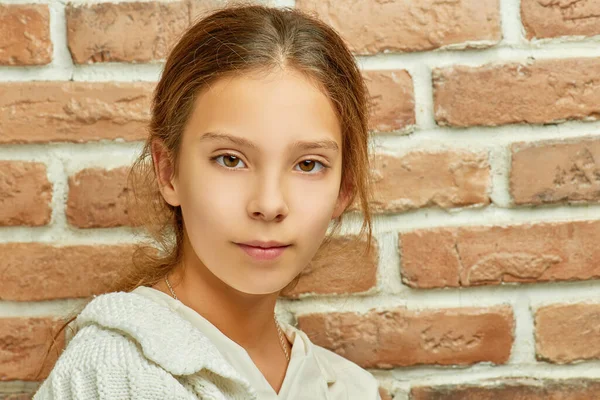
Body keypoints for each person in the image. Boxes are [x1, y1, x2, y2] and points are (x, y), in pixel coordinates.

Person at [33, 2, 379, 399]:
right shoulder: (109, 372)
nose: (268, 203)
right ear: (169, 173)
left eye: (307, 164)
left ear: (343, 189)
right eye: (230, 160)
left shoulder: (353, 388)